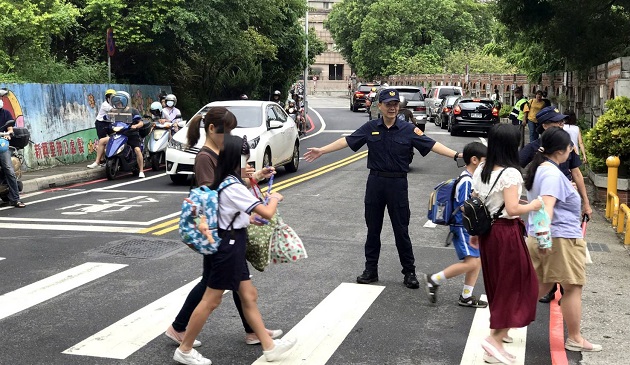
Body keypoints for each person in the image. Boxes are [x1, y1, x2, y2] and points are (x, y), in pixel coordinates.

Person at [304, 89, 463, 289]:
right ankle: (370, 270)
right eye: (388, 104)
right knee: (373, 230)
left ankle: (409, 272)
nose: (392, 107)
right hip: (375, 183)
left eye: (395, 104)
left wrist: (456, 155)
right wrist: (322, 150)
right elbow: (348, 140)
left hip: (397, 184)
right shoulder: (371, 127)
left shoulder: (408, 129)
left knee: (401, 230)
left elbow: (431, 145)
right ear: (379, 106)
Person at [166, 108, 282, 354]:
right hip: (220, 233)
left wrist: (251, 178)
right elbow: (214, 194)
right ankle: (181, 333)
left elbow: (226, 186)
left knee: (242, 286)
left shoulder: (217, 155)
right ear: (211, 129)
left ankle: (254, 331)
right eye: (226, 130)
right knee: (213, 291)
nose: (229, 135)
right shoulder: (205, 157)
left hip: (227, 230)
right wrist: (245, 201)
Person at [524, 127, 602, 353]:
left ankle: (502, 329)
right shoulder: (550, 174)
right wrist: (544, 240)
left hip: (553, 238)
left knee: (539, 287)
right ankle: (575, 338)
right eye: (570, 146)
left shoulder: (542, 169)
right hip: (561, 240)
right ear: (561, 150)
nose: (572, 150)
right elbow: (546, 208)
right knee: (573, 287)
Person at [471, 124, 541, 365]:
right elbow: (512, 209)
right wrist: (533, 206)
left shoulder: (480, 169)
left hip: (488, 233)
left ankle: (497, 344)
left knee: (499, 285)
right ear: (512, 146)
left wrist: (475, 234)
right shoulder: (510, 173)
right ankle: (495, 339)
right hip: (506, 234)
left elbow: (478, 201)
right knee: (521, 286)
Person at [519, 106, 593, 303]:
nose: (562, 124)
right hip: (554, 229)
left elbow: (577, 174)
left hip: (554, 224)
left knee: (547, 281)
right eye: (556, 121)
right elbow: (546, 205)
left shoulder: (565, 145)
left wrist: (586, 203)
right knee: (568, 283)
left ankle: (505, 324)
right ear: (544, 126)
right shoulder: (543, 159)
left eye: (562, 121)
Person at [424, 142, 488, 308]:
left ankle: (466, 296)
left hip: (469, 228)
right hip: (463, 227)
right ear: (474, 160)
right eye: (484, 161)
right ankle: (434, 279)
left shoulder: (472, 178)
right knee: (472, 262)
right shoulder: (467, 181)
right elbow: (464, 205)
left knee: (476, 261)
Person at [87, 91, 146, 178]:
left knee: (137, 150)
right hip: (119, 133)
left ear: (124, 102)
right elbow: (109, 118)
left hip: (131, 134)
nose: (118, 105)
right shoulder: (115, 111)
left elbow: (141, 123)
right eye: (116, 103)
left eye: (119, 103)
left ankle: (141, 171)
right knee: (102, 141)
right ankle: (97, 161)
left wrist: (135, 126)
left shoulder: (133, 110)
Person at [0, 99, 25, 208]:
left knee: (9, 169)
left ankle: (15, 199)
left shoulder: (6, 113)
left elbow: (10, 129)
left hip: (2, 145)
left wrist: (7, 133)